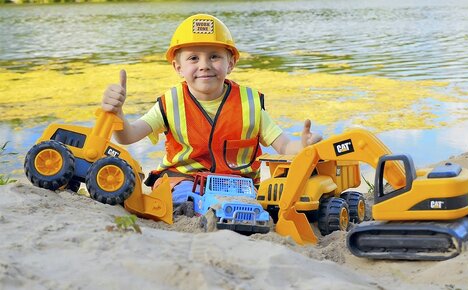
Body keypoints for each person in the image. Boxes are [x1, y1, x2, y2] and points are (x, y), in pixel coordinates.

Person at [101, 14, 322, 205]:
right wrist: (117, 113)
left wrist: (303, 145)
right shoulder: (170, 103)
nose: (204, 65)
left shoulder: (249, 103)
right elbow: (127, 136)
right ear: (178, 67)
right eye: (193, 58)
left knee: (249, 206)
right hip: (183, 179)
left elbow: (283, 145)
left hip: (237, 185)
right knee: (183, 198)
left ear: (231, 63)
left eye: (214, 56)